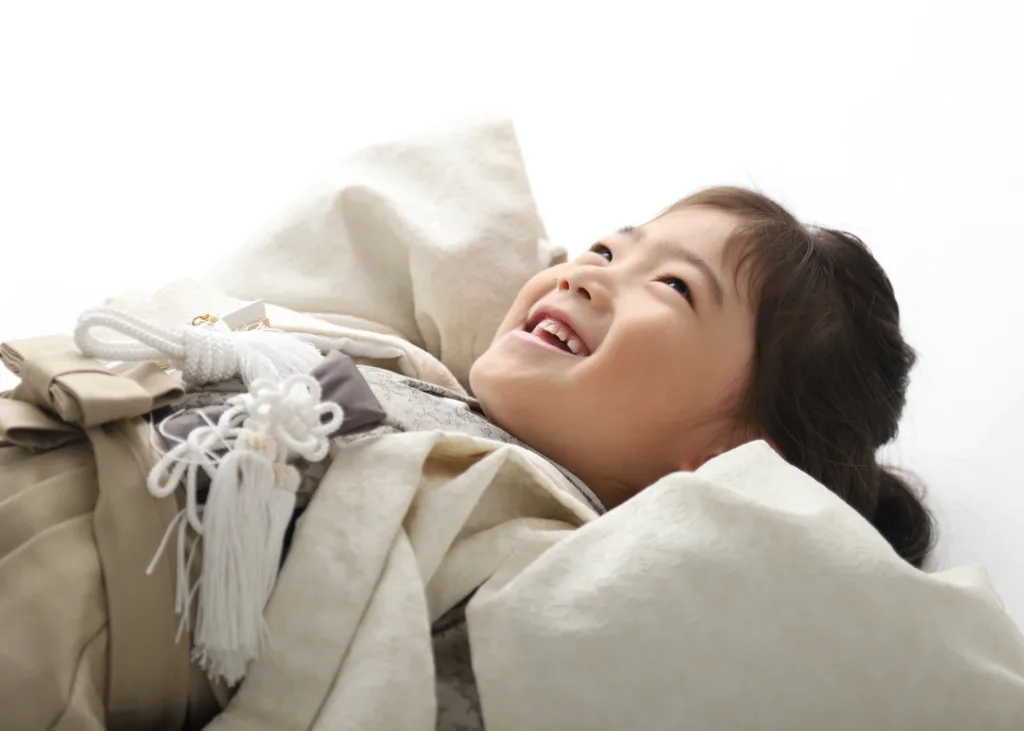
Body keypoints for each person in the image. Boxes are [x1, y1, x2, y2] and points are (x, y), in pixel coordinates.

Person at [470, 185, 934, 568]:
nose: (582, 278)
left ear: (731, 461)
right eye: (605, 252)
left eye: (673, 285)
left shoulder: (550, 569)